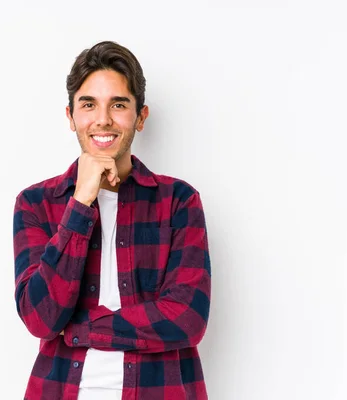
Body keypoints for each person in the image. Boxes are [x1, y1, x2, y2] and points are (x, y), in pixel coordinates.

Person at [12, 41, 211, 400]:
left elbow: (187, 317)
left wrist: (80, 330)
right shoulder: (36, 204)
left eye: (118, 104)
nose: (103, 119)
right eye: (88, 105)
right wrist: (81, 202)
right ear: (71, 117)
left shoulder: (178, 202)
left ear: (141, 116)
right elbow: (40, 318)